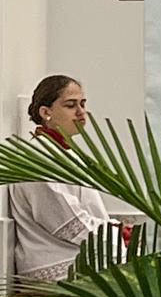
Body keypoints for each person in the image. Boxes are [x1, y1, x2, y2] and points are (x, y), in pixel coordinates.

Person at [9, 76, 111, 282]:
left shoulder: (65, 153)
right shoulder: (39, 157)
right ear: (46, 112)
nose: (81, 112)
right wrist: (116, 235)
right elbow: (66, 224)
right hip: (56, 269)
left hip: (77, 260)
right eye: (71, 105)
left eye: (83, 104)